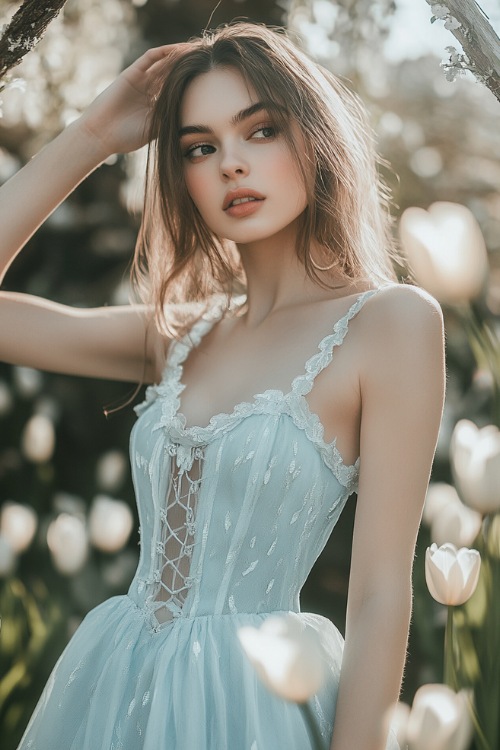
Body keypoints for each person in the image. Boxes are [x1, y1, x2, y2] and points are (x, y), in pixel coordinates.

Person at [0, 21, 445, 750]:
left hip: (256, 703)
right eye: (200, 147)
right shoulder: (181, 332)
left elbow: (379, 598)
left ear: (315, 138)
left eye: (260, 131)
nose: (231, 165)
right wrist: (92, 136)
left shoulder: (390, 323)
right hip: (115, 687)